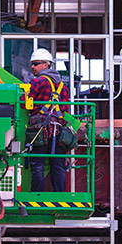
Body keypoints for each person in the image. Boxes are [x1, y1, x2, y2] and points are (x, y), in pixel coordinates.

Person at [24, 48, 69, 192]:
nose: (32, 67)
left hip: (39, 129)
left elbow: (23, 101)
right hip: (58, 130)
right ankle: (60, 196)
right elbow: (65, 111)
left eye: (35, 63)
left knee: (37, 164)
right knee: (58, 166)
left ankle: (37, 196)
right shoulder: (64, 87)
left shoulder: (38, 82)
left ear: (45, 65)